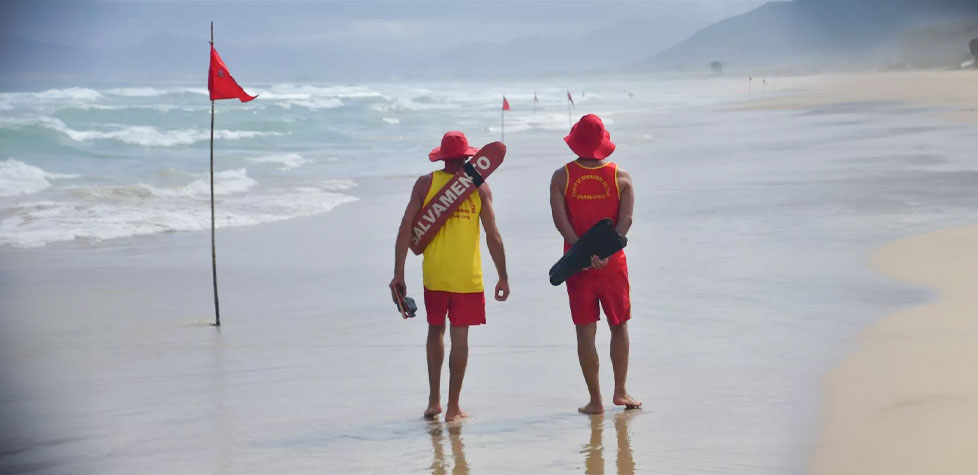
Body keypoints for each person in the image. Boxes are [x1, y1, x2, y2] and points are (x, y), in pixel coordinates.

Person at [391, 131, 510, 422]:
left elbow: (406, 228)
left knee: (435, 332)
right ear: (469, 158)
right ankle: (454, 407)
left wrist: (399, 272)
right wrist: (503, 276)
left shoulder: (426, 183)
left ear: (443, 157)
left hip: (435, 275)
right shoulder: (480, 188)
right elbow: (493, 236)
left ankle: (434, 402)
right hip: (467, 277)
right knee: (460, 338)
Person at [549, 114, 641, 414]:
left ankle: (596, 400)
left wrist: (582, 251)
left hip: (578, 267)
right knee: (619, 326)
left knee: (585, 331)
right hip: (612, 265)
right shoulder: (621, 177)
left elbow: (560, 221)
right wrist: (604, 252)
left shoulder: (561, 177)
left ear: (576, 141)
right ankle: (621, 391)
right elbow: (625, 221)